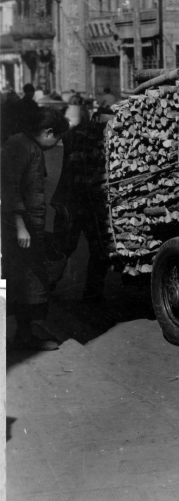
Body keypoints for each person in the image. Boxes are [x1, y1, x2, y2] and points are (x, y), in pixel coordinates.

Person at [1, 107, 70, 350]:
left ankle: (23, 335)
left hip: (31, 228)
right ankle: (22, 337)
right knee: (22, 281)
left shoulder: (31, 147)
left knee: (28, 284)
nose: (57, 143)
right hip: (20, 230)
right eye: (58, 138)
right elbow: (9, 189)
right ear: (49, 132)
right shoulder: (21, 146)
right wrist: (20, 227)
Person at [51, 105, 113, 302]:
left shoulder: (76, 134)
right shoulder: (88, 136)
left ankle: (47, 288)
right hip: (77, 201)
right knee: (69, 247)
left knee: (87, 249)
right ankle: (46, 287)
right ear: (97, 119)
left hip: (83, 203)